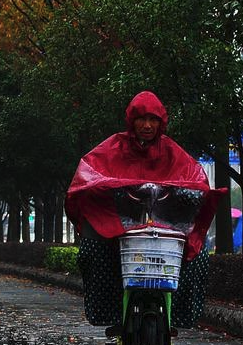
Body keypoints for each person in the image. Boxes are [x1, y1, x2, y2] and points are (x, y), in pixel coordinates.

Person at [65, 91, 223, 331]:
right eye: (141, 119)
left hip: (164, 225)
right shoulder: (112, 147)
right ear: (131, 121)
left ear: (161, 122)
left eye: (153, 119)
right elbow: (89, 171)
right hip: (120, 225)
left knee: (197, 254)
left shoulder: (173, 152)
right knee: (92, 250)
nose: (147, 125)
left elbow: (195, 178)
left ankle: (178, 317)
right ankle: (112, 314)